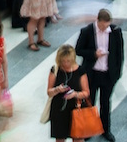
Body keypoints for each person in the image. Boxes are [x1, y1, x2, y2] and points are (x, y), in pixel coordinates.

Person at [75, 9, 122, 141]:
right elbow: (78, 50)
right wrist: (94, 54)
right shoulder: (87, 31)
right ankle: (88, 129)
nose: (105, 28)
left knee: (105, 103)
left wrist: (117, 73)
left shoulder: (116, 32)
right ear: (98, 20)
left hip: (108, 74)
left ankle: (105, 129)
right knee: (90, 102)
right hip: (92, 73)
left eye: (107, 25)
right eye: (103, 25)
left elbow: (119, 54)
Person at [46, 45, 90, 142]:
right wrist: (57, 89)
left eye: (68, 61)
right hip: (59, 109)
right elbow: (49, 92)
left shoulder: (80, 71)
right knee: (60, 137)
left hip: (76, 108)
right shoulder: (55, 70)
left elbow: (86, 92)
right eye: (63, 61)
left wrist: (75, 94)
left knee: (78, 138)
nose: (65, 64)